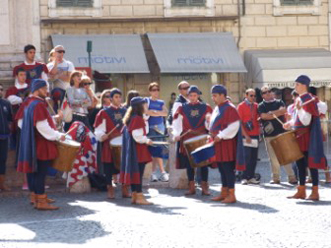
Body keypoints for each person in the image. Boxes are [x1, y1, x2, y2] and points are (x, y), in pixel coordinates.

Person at [17, 79, 65, 210]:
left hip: (33, 141)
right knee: (40, 173)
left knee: (34, 171)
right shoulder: (37, 104)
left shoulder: (29, 102)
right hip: (41, 143)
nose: (47, 91)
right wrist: (58, 135)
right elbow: (42, 126)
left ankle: (36, 196)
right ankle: (41, 200)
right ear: (37, 89)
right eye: (44, 88)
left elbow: (24, 123)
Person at [284, 75, 326, 201]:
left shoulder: (308, 99)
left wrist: (300, 110)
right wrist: (290, 123)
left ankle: (315, 192)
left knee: (310, 163)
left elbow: (306, 120)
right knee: (300, 164)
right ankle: (301, 190)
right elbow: (297, 118)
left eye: (297, 84)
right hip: (299, 135)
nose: (295, 86)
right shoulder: (300, 99)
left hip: (307, 137)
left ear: (303, 85)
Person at [208, 85, 246, 204]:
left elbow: (234, 126)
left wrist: (221, 135)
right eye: (212, 96)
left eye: (215, 96)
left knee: (228, 169)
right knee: (222, 169)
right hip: (218, 143)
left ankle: (231, 194)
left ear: (222, 95)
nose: (213, 98)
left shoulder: (230, 108)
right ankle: (224, 192)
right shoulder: (217, 108)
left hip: (226, 143)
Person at [173, 85, 212, 196]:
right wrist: (176, 134)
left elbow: (209, 123)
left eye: (195, 95)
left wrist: (209, 124)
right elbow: (177, 122)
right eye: (191, 95)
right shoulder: (182, 108)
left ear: (198, 95)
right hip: (188, 138)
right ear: (188, 96)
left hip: (201, 138)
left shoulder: (206, 107)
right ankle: (191, 187)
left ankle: (204, 187)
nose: (193, 97)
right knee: (190, 164)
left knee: (203, 164)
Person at [94, 88, 129, 199]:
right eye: (116, 97)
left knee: (124, 167)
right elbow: (98, 129)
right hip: (109, 143)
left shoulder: (125, 111)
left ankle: (125, 188)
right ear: (111, 99)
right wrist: (101, 135)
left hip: (123, 142)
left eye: (120, 97)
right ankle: (110, 189)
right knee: (108, 167)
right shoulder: (104, 112)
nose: (118, 99)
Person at [258, 86, 297, 184]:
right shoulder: (261, 105)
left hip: (281, 132)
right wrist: (276, 113)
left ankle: (291, 177)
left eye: (269, 91)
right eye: (265, 92)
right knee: (273, 157)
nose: (268, 93)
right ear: (262, 95)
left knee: (286, 156)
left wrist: (271, 113)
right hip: (269, 134)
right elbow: (263, 116)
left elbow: (283, 111)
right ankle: (276, 178)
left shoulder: (279, 102)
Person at [120, 97, 153, 205]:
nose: (146, 107)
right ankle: (139, 195)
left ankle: (135, 195)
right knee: (138, 174)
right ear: (139, 106)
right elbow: (137, 136)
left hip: (134, 150)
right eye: (144, 105)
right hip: (138, 151)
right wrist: (147, 140)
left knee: (135, 174)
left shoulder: (131, 118)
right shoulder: (137, 119)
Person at [145, 83, 169, 182]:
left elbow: (166, 113)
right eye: (154, 90)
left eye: (157, 89)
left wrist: (155, 112)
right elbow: (147, 112)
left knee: (158, 150)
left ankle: (155, 173)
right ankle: (161, 172)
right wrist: (159, 113)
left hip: (160, 128)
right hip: (151, 128)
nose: (156, 91)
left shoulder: (161, 102)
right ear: (150, 91)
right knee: (154, 151)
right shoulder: (147, 100)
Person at [237, 89, 260, 185]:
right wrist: (246, 135)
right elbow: (239, 123)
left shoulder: (256, 106)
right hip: (245, 135)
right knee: (246, 157)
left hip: (255, 134)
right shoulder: (241, 106)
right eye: (251, 95)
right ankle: (243, 177)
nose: (253, 97)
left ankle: (251, 176)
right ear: (246, 95)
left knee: (253, 157)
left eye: (254, 96)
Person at [0, 84, 13, 191]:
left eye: (1, 89)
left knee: (3, 160)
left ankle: (2, 185)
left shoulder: (6, 103)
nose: (0, 91)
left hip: (4, 138)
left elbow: (10, 119)